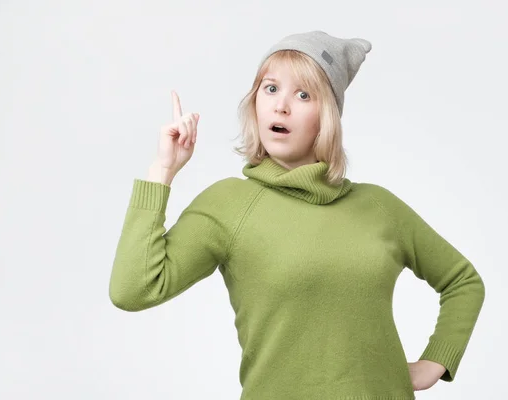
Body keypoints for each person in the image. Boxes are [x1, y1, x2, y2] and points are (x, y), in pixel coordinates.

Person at [109, 30, 485, 400]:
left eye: (303, 94)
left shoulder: (378, 207)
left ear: (328, 116)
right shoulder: (228, 204)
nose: (281, 106)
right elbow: (133, 289)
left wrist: (438, 359)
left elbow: (462, 281)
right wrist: (162, 172)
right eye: (270, 88)